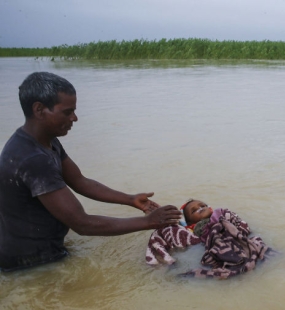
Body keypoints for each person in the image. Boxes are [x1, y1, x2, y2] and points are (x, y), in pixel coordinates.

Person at [0, 72, 181, 272]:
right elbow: (82, 224)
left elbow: (80, 181)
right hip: (29, 262)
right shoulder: (33, 159)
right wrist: (148, 222)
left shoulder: (46, 141)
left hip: (43, 249)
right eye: (67, 112)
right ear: (39, 109)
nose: (74, 118)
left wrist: (130, 199)